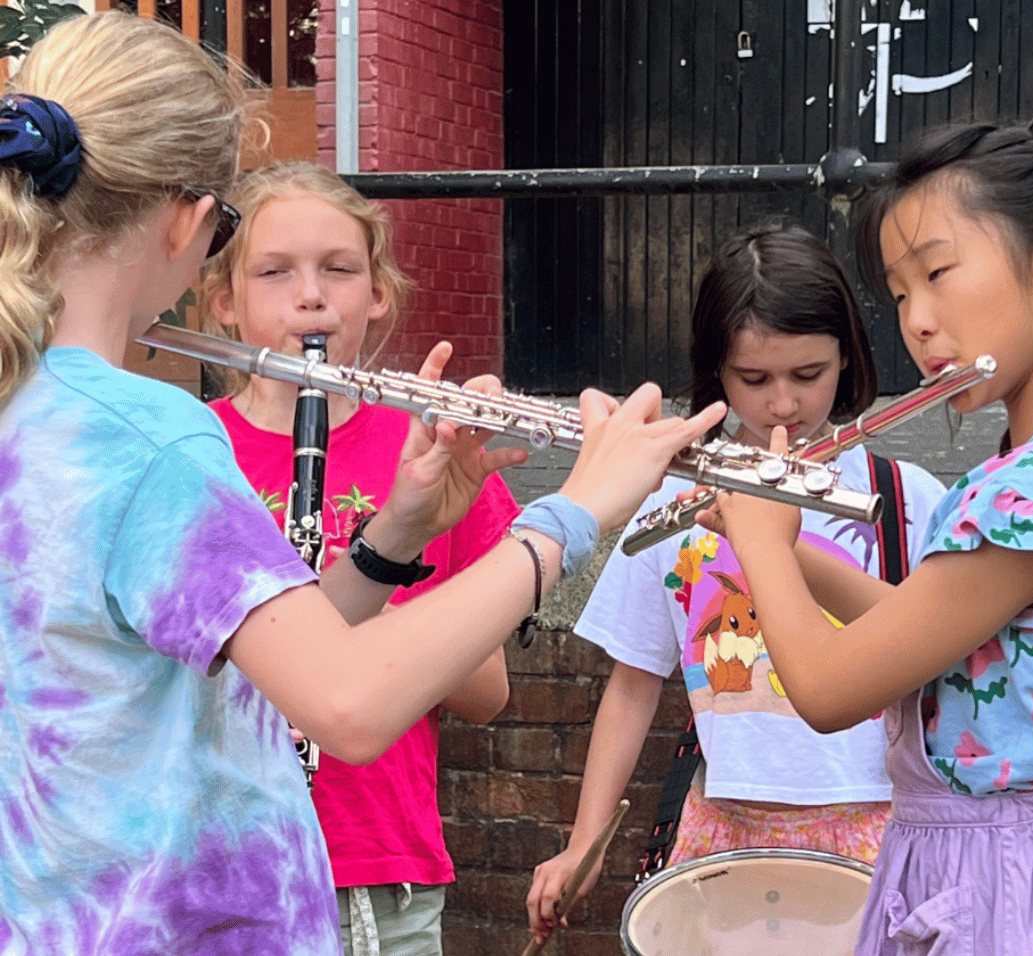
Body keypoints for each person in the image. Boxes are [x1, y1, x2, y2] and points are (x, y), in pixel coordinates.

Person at [0, 12, 726, 954]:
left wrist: (395, 538)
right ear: (186, 219)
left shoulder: (30, 410)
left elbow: (254, 666)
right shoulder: (149, 437)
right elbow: (345, 705)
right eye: (227, 226)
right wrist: (576, 510)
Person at [699, 123, 1033, 954]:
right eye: (898, 293)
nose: (917, 322)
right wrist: (784, 549)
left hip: (999, 890)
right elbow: (935, 634)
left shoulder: (1028, 495)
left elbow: (826, 690)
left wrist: (767, 541)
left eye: (938, 273)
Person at [527, 219, 947, 942]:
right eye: (753, 380)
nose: (783, 405)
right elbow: (632, 687)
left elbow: (944, 670)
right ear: (715, 372)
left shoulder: (906, 496)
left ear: (847, 358)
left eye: (808, 375)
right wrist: (582, 841)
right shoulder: (670, 504)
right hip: (723, 830)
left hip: (883, 825)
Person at [200, 161, 518, 956]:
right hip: (221, 858)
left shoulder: (433, 450)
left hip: (376, 862)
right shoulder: (192, 454)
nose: (311, 297)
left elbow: (488, 692)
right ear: (223, 303)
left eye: (339, 270)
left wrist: (365, 598)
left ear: (377, 293)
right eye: (275, 273)